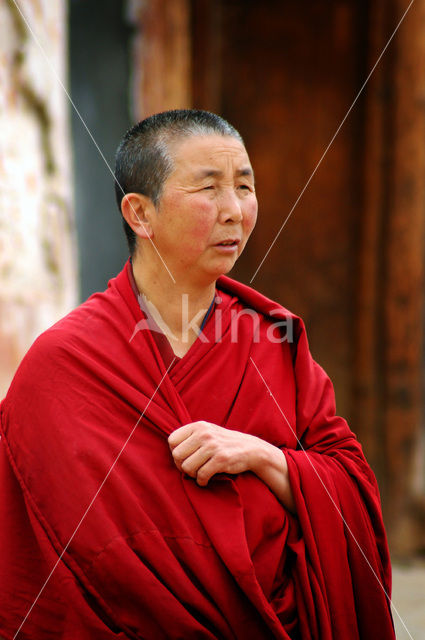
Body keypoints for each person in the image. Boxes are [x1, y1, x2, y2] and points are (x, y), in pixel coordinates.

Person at [0, 109, 395, 639]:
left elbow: (350, 487)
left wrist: (262, 456)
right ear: (140, 214)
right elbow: (31, 549)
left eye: (244, 186)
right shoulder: (66, 362)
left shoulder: (271, 341)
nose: (235, 211)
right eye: (209, 189)